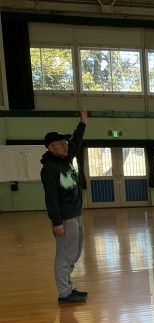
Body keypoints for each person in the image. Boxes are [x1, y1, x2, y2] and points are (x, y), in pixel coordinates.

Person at [40, 108, 88, 304]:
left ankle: (68, 287)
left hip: (76, 215)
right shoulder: (50, 169)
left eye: (65, 142)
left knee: (74, 254)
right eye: (60, 143)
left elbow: (76, 142)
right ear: (51, 148)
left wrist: (82, 124)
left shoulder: (66, 161)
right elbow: (51, 198)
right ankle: (64, 293)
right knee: (65, 255)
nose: (65, 145)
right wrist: (56, 221)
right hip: (65, 218)